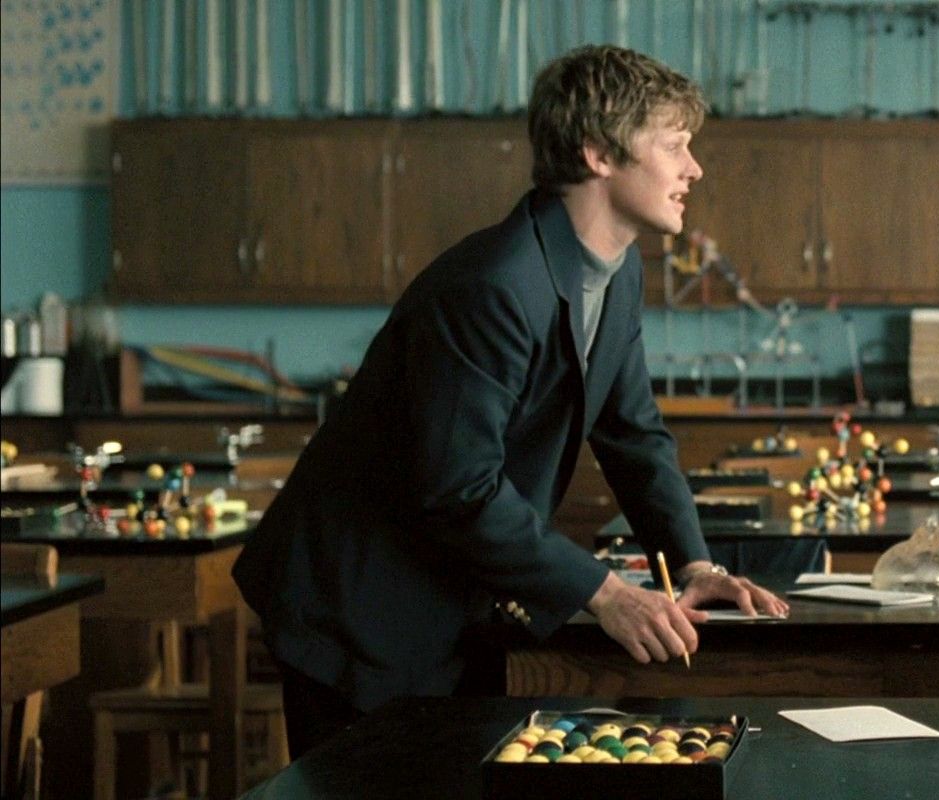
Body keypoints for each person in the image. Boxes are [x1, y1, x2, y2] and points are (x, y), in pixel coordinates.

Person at [233, 45, 787, 757]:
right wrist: (606, 593)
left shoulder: (619, 273)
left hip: (451, 600)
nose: (694, 169)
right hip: (355, 607)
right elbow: (460, 488)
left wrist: (695, 566)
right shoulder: (493, 286)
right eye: (674, 145)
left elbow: (634, 434)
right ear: (598, 154)